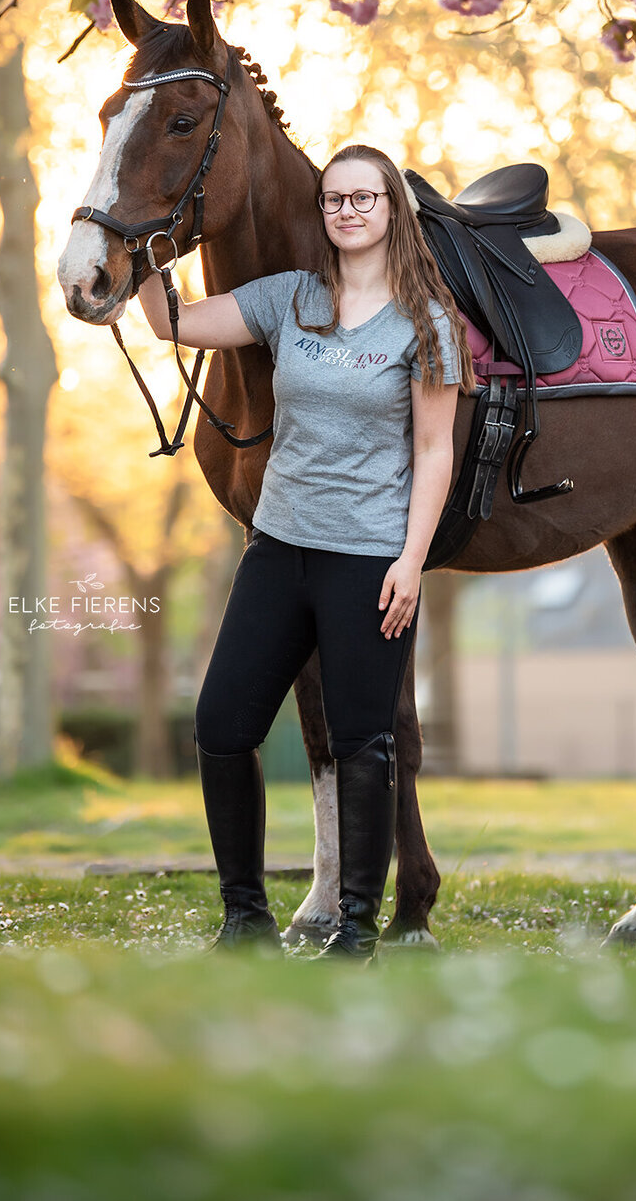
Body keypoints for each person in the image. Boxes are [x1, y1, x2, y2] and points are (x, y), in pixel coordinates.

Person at [136, 144, 472, 959]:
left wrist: (410, 561)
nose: (348, 211)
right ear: (322, 214)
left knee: (364, 742)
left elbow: (435, 451)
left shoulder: (427, 322)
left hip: (366, 560)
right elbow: (176, 324)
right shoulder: (291, 299)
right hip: (278, 548)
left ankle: (355, 925)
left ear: (392, 208)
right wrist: (144, 250)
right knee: (221, 725)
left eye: (364, 198)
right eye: (333, 200)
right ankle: (244, 916)